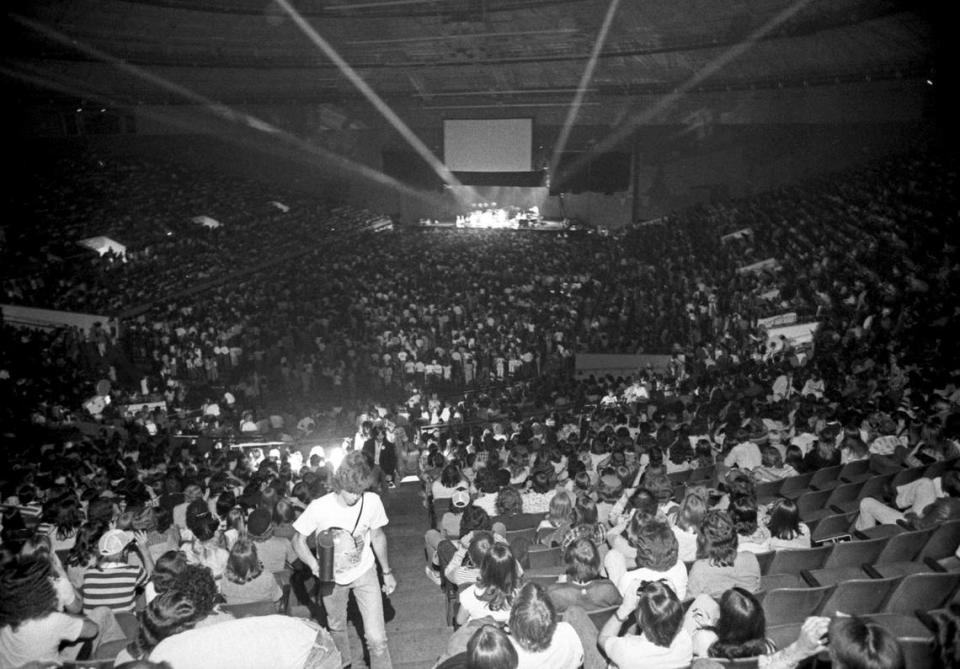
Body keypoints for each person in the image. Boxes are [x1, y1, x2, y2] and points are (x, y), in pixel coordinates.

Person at [292, 451, 395, 669]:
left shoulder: (372, 501)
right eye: (351, 492)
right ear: (339, 483)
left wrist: (386, 572)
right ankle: (344, 664)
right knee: (337, 627)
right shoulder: (320, 507)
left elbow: (377, 536)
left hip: (365, 571)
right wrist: (313, 565)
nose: (356, 496)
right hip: (331, 576)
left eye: (360, 491)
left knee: (377, 638)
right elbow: (298, 541)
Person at [595, 578, 693, 668]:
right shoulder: (685, 641)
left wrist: (625, 608)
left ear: (640, 617)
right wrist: (667, 601)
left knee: (579, 614)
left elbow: (603, 637)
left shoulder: (627, 650)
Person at [686, 510, 761, 598]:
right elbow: (758, 590)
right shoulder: (751, 558)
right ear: (734, 536)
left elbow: (690, 603)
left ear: (703, 540)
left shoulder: (700, 568)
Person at [508, 582, 583, 669]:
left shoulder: (507, 653)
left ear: (513, 621)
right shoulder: (568, 633)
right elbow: (579, 660)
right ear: (552, 613)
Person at [687, 587, 774, 658]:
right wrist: (711, 625)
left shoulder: (704, 639)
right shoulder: (768, 648)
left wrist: (707, 629)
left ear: (725, 622)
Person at [545, 538, 621, 612]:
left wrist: (558, 585)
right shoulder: (609, 588)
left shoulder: (553, 593)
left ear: (567, 563)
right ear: (597, 563)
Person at [456, 542, 520, 625]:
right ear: (513, 568)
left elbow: (460, 621)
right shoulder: (521, 595)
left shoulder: (469, 594)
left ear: (484, 567)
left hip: (480, 636)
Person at [221, 538, 283, 606]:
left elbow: (224, 596)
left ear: (231, 559)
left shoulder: (225, 577)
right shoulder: (267, 577)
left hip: (235, 614)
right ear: (254, 558)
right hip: (263, 613)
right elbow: (276, 599)